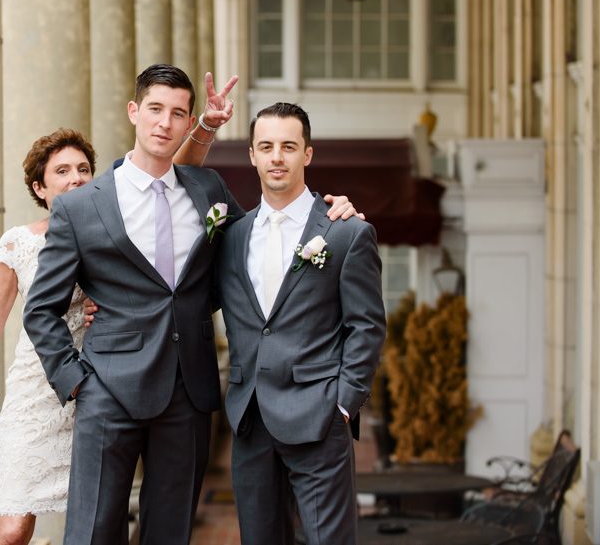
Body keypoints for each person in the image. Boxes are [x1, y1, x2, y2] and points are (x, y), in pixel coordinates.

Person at [22, 65, 360, 545]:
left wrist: (332, 217)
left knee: (171, 532)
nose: (165, 122)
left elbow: (266, 247)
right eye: (155, 109)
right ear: (134, 112)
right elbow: (41, 308)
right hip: (107, 392)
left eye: (178, 113)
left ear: (187, 124)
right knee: (92, 531)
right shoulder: (82, 207)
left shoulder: (208, 192)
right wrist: (76, 383)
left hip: (189, 392)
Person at [0, 108, 230, 545]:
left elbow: (173, 184)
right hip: (41, 393)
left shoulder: (115, 227)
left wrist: (204, 128)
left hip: (110, 386)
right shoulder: (19, 242)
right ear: (39, 186)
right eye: (62, 171)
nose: (75, 178)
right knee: (13, 528)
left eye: (84, 169)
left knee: (101, 520)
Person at [216, 102, 386, 545]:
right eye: (266, 146)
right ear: (251, 155)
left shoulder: (345, 232)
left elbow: (367, 326)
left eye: (288, 146)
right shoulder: (232, 237)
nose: (277, 157)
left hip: (318, 418)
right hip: (250, 419)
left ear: (306, 154)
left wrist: (344, 404)